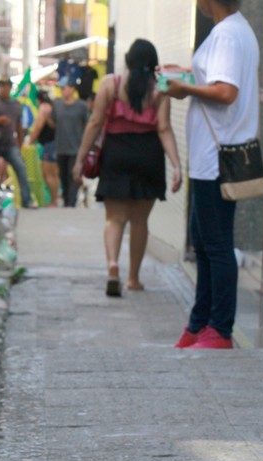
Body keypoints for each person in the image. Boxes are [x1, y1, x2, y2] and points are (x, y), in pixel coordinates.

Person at [164, 0, 260, 349]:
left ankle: (220, 329)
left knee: (215, 246)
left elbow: (225, 91)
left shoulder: (228, 35)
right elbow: (217, 82)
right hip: (211, 157)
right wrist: (185, 76)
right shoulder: (233, 31)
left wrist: (184, 88)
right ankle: (200, 322)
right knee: (204, 243)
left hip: (216, 159)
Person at [73, 39, 182, 297]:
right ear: (154, 65)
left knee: (114, 218)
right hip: (149, 156)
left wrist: (79, 159)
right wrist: (177, 165)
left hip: (116, 154)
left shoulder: (111, 84)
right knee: (140, 221)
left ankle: (113, 266)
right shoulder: (159, 89)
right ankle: (133, 278)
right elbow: (164, 128)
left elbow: (96, 122)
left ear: (128, 60)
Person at [0, 76, 36, 208]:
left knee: (21, 169)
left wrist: (20, 145)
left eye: (4, 85)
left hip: (10, 144)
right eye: (0, 85)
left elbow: (19, 126)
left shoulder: (16, 104)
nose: (1, 88)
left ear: (9, 87)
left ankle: (27, 200)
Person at [52, 77, 89, 208]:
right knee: (63, 176)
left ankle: (71, 203)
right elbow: (53, 122)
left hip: (76, 148)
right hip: (61, 147)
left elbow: (87, 125)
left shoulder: (82, 106)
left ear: (72, 89)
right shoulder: (57, 104)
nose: (62, 91)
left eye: (64, 88)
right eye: (60, 88)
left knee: (73, 175)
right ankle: (67, 200)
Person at [25, 89, 60, 207]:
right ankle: (54, 200)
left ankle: (54, 201)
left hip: (50, 144)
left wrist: (29, 142)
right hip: (53, 143)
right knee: (52, 174)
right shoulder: (51, 106)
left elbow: (38, 127)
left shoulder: (44, 108)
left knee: (49, 174)